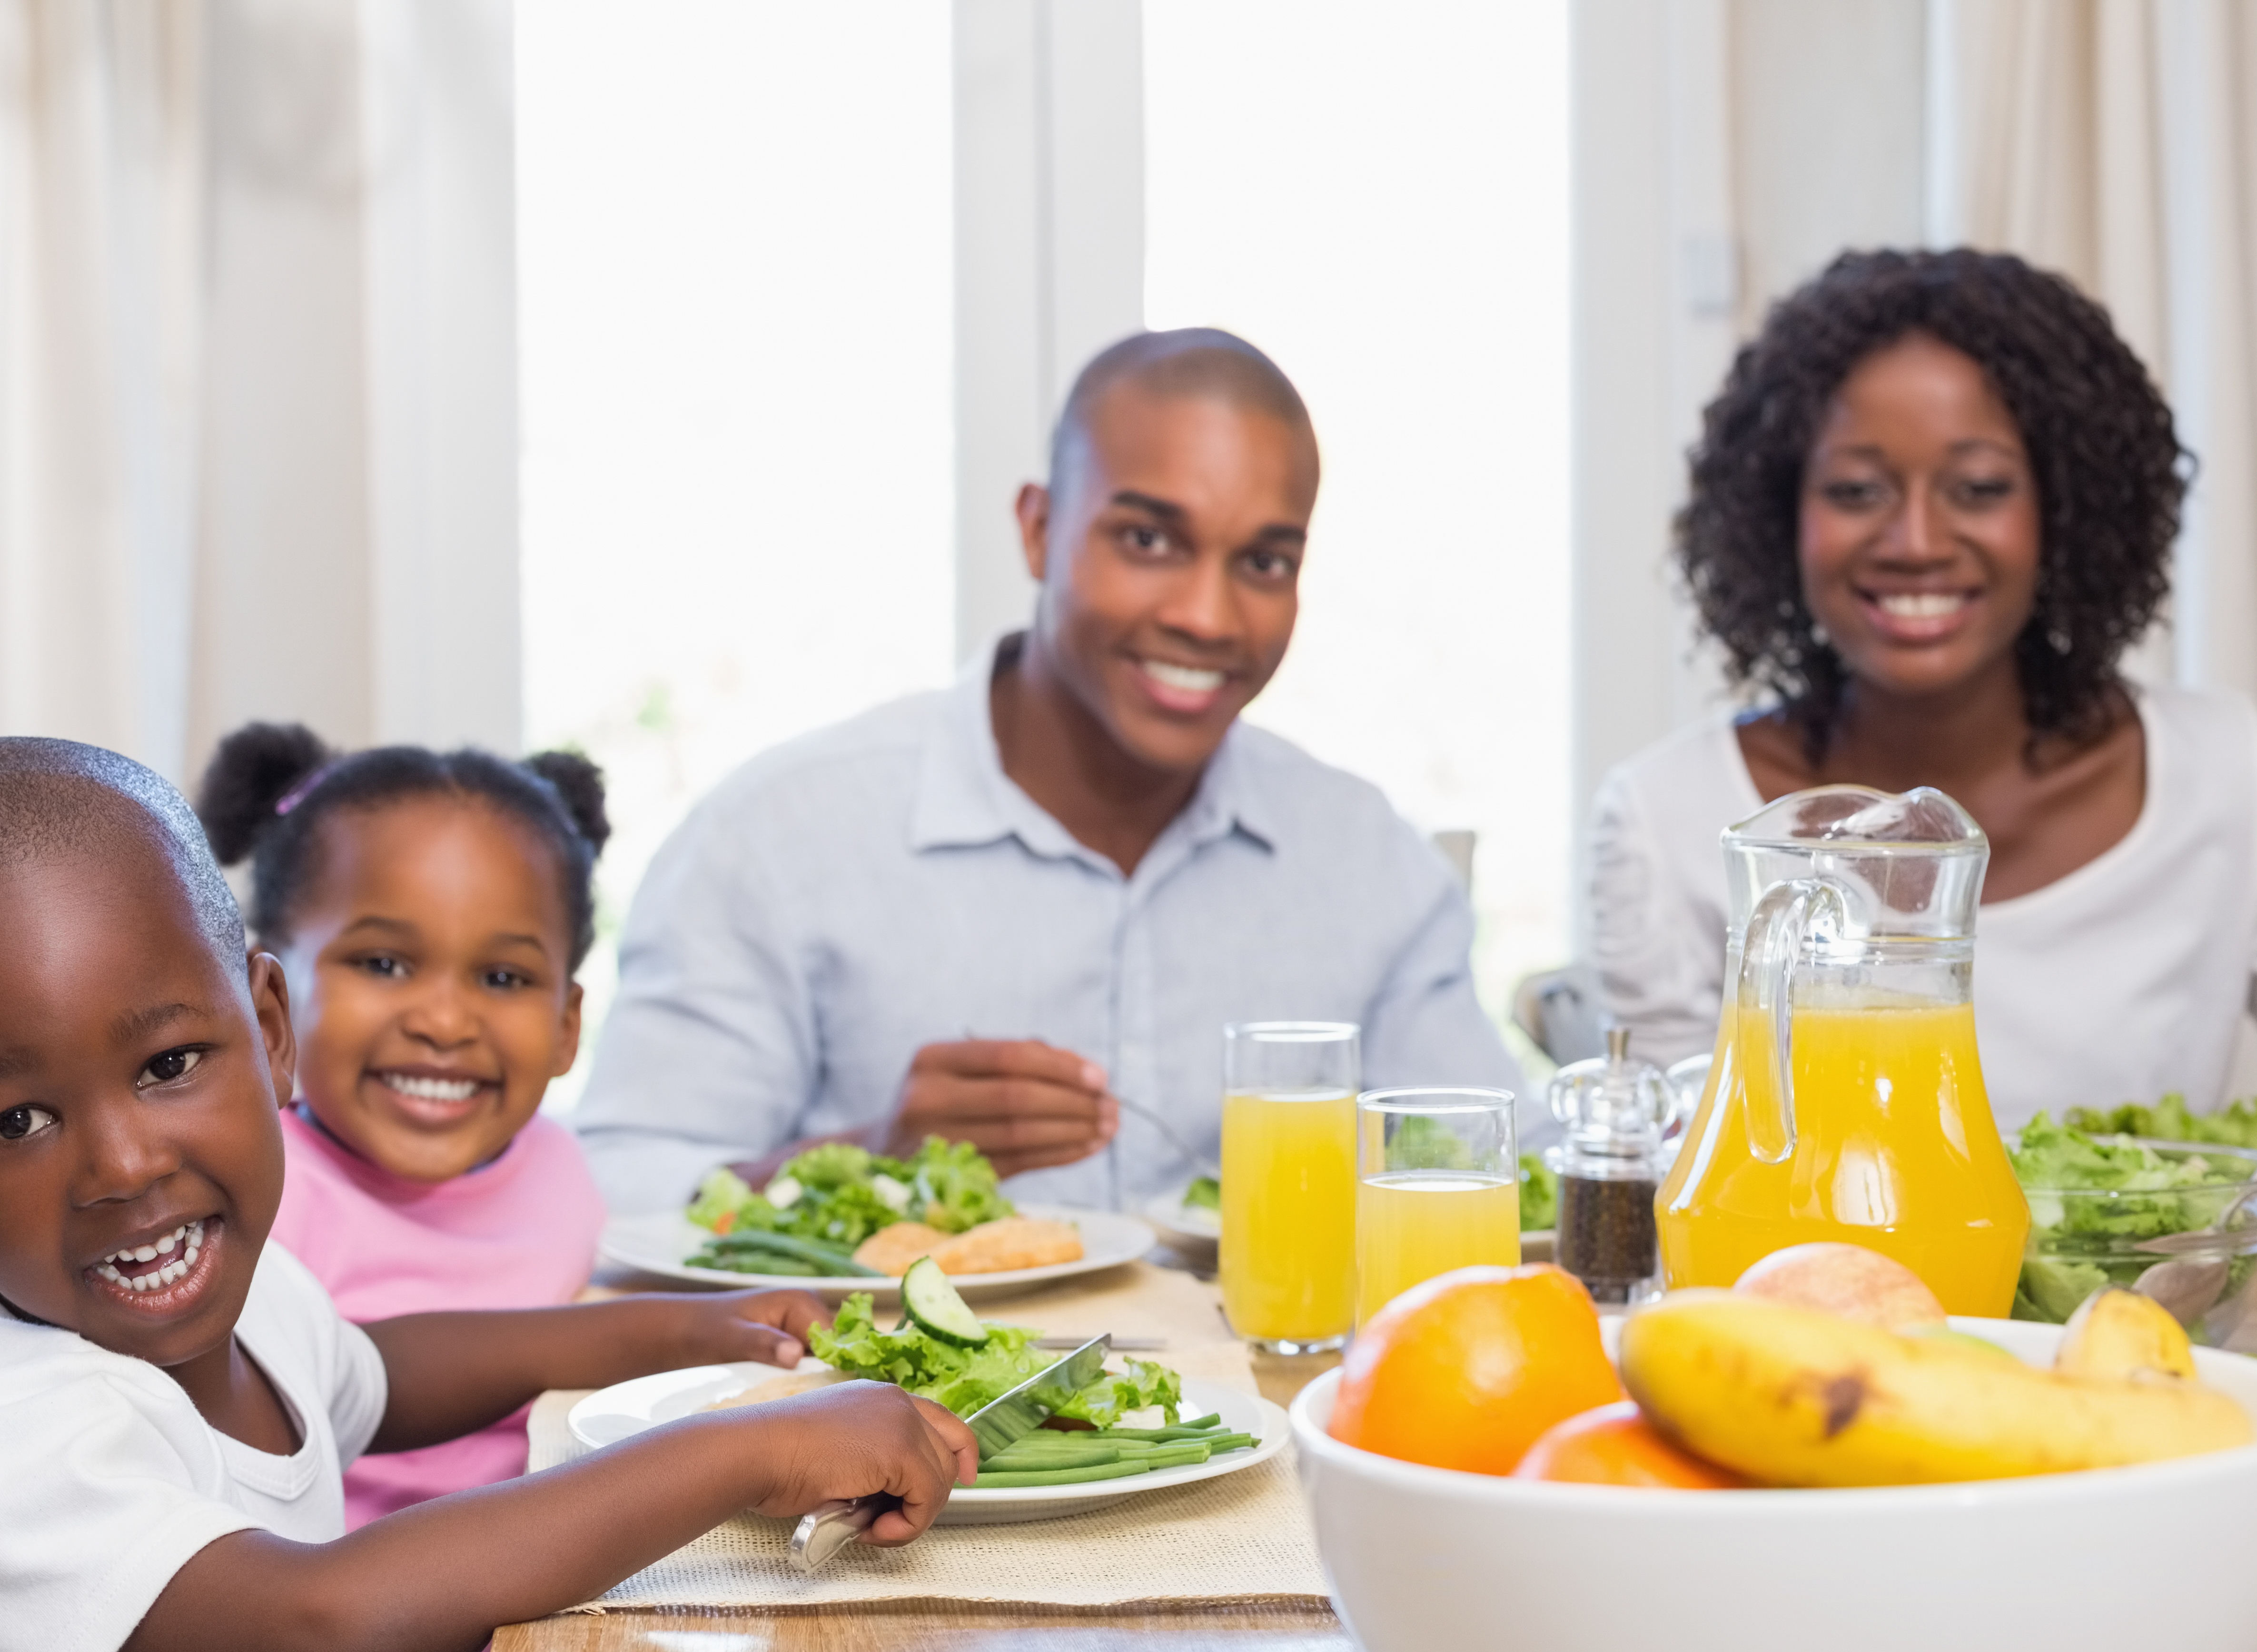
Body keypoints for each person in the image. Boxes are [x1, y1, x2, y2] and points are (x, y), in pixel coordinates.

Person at [0, 737, 975, 1652]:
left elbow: (381, 1372)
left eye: (170, 1063)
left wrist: (680, 1331)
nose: (124, 1164)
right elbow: (325, 1634)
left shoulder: (229, 1293)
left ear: (268, 1029)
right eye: (19, 1121)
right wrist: (749, 1453)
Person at [573, 327, 1536, 1217]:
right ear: (1038, 529)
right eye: (1148, 540)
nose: (1208, 615)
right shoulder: (781, 836)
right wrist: (871, 1156)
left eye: (1264, 562)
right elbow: (617, 1189)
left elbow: (1505, 1166)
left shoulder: (1366, 859)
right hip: (887, 1403)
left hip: (1275, 1401)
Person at [1587, 248, 2257, 1130]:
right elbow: (1674, 1192)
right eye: (1857, 490)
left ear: (2065, 508)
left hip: (2135, 1281)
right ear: (1780, 516)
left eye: (1979, 487)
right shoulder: (1668, 819)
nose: (1916, 539)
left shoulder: (2236, 777)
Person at [190, 723, 611, 1652]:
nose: (444, 1017)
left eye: (505, 976)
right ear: (265, 995)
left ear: (569, 1023)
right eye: (382, 962)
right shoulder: (244, 1206)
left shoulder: (562, 1172)